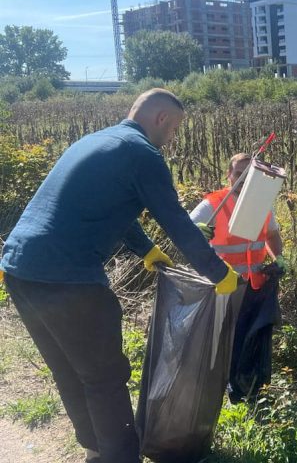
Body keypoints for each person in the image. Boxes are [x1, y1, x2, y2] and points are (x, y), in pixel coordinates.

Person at [0, 88, 238, 463]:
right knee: (105, 378)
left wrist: (145, 250)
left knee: (70, 369)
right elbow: (175, 220)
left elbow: (113, 206)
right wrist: (218, 272)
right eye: (173, 129)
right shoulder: (143, 153)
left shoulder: (98, 141)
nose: (172, 138)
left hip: (19, 270)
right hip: (68, 278)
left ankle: (97, 449)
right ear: (160, 119)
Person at [189, 152, 285, 401]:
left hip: (254, 287)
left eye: (248, 174)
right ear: (228, 176)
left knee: (248, 342)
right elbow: (186, 234)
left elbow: (272, 236)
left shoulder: (261, 203)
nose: (243, 179)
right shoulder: (213, 205)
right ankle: (216, 391)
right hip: (223, 288)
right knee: (222, 344)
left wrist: (278, 260)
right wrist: (199, 233)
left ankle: (247, 391)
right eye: (238, 174)